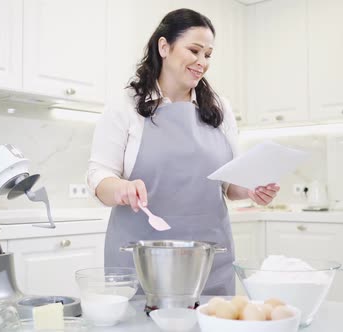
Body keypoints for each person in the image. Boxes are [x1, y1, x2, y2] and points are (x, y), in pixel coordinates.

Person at [87, 8, 280, 295]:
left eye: (208, 55)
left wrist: (251, 189)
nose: (202, 62)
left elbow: (229, 184)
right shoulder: (126, 105)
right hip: (142, 263)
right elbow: (99, 176)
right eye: (194, 50)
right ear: (164, 47)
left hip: (209, 260)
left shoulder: (219, 108)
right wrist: (121, 189)